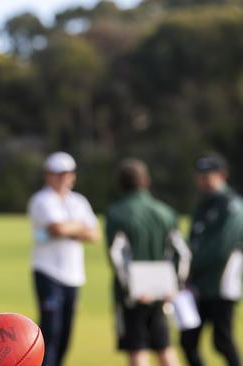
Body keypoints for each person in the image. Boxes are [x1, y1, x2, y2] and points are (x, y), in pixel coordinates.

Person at [105, 159, 187, 366]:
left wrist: (130, 289)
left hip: (134, 294)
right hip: (162, 291)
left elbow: (116, 255)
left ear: (119, 184)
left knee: (137, 350)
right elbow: (183, 253)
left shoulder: (117, 213)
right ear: (146, 181)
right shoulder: (166, 212)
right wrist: (175, 286)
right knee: (164, 347)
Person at [27, 151, 100, 366]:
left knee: (66, 333)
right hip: (48, 271)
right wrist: (79, 225)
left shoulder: (78, 200)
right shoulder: (42, 199)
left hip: (74, 275)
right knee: (51, 330)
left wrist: (69, 227)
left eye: (67, 174)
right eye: (58, 174)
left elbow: (94, 234)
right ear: (48, 175)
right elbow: (57, 228)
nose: (63, 178)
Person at [180, 153, 243, 366]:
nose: (203, 181)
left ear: (222, 175)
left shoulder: (231, 205)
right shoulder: (204, 204)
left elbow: (221, 248)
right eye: (200, 176)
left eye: (208, 176)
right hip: (198, 286)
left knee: (222, 340)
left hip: (221, 284)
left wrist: (191, 267)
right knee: (188, 341)